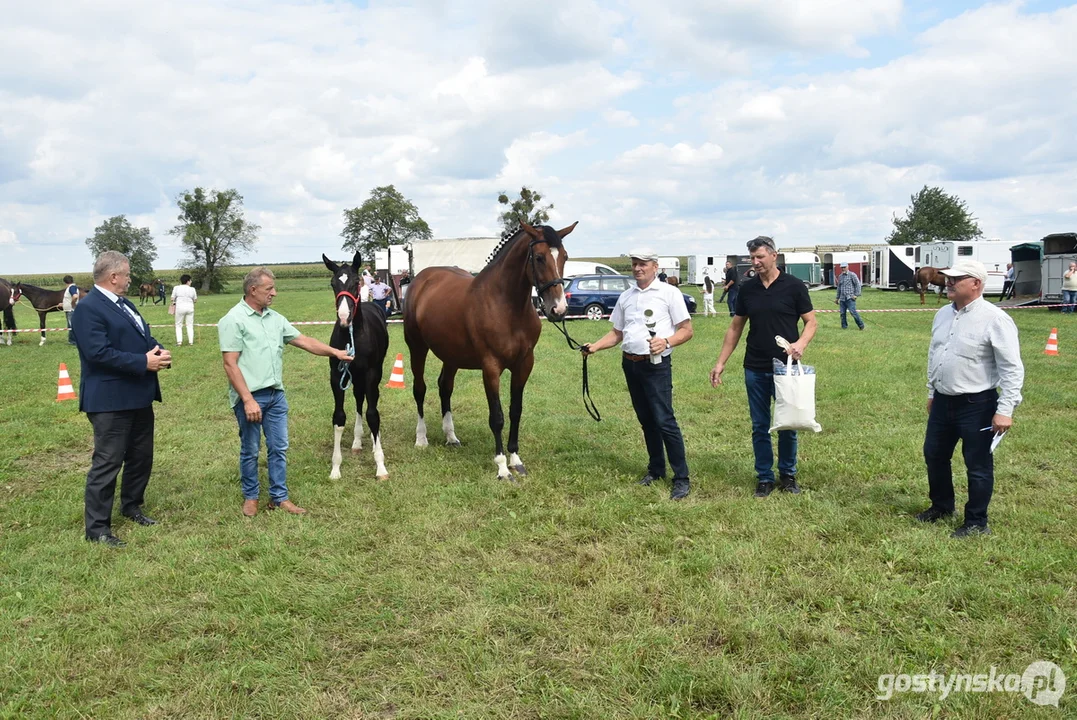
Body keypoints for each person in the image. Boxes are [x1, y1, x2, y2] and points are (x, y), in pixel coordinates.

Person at [218, 267, 354, 517]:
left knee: (279, 448)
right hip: (250, 397)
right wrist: (247, 400)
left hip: (275, 396)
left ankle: (279, 497)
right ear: (253, 290)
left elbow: (304, 341)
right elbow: (230, 363)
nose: (275, 293)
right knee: (250, 449)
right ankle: (251, 497)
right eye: (269, 289)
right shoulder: (233, 319)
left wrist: (336, 352)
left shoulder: (275, 318)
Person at [917, 259, 1024, 537]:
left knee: (977, 465)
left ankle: (976, 522)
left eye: (957, 279)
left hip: (977, 405)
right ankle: (941, 506)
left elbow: (1011, 367)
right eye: (949, 278)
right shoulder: (942, 314)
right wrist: (932, 392)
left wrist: (1006, 409)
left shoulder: (995, 318)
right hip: (943, 401)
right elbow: (935, 354)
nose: (949, 282)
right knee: (935, 455)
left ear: (976, 284)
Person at [71, 251, 171, 547]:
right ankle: (98, 529)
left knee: (141, 456)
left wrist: (158, 352)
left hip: (139, 396)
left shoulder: (125, 305)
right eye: (127, 275)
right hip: (110, 400)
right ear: (113, 276)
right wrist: (143, 362)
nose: (130, 280)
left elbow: (143, 339)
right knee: (108, 461)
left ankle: (131, 505)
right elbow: (97, 354)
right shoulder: (88, 309)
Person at [581, 248, 694, 500]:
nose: (637, 268)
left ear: (655, 266)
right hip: (630, 364)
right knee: (646, 421)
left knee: (665, 420)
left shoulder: (669, 293)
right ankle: (656, 470)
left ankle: (681, 478)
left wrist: (666, 342)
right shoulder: (626, 297)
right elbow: (617, 332)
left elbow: (686, 330)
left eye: (642, 263)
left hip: (656, 365)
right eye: (634, 264)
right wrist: (595, 346)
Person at [710, 236, 816, 497]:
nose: (755, 262)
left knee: (788, 423)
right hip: (755, 366)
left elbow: (811, 322)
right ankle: (765, 477)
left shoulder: (794, 286)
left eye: (760, 257)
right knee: (760, 425)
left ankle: (788, 476)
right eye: (752, 258)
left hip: (786, 366)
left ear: (774, 255)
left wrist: (800, 343)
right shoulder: (747, 288)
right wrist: (721, 362)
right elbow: (736, 327)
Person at [834, 262, 865, 330]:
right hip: (842, 299)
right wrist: (837, 298)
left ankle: (861, 325)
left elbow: (858, 285)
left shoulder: (852, 275)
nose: (843, 268)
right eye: (842, 267)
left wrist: (856, 295)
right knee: (842, 314)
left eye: (844, 267)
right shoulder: (840, 276)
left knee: (853, 312)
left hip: (850, 298)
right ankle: (844, 327)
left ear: (848, 267)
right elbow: (839, 288)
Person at [170, 274, 198, 345]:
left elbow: (172, 298)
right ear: (188, 281)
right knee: (190, 325)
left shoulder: (176, 288)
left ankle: (179, 342)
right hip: (190, 308)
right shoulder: (192, 289)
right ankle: (191, 342)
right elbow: (195, 300)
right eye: (190, 280)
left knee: (178, 325)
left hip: (180, 308)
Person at [62, 274, 80, 346]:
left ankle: (73, 341)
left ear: (65, 282)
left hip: (71, 310)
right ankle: (71, 340)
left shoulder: (71, 287)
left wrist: (72, 303)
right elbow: (69, 298)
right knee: (70, 326)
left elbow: (75, 296)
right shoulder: (72, 287)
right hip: (70, 309)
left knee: (71, 325)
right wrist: (63, 303)